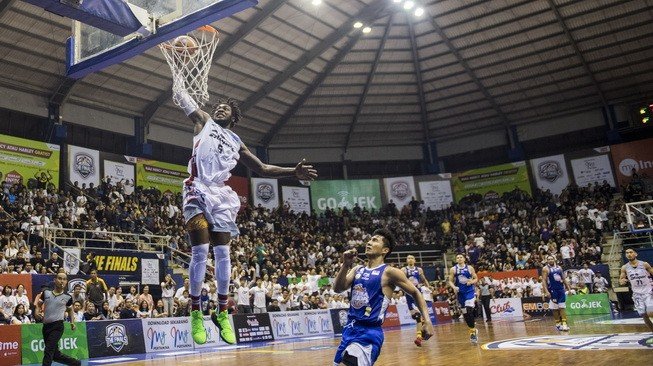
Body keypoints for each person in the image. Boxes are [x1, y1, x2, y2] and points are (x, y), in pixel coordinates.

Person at [172, 82, 317, 344]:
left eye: (225, 109)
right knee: (201, 251)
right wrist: (179, 79)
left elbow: (262, 168)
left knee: (223, 253)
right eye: (217, 107)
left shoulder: (237, 141)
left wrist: (292, 173)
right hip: (197, 187)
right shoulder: (204, 121)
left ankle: (222, 312)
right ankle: (195, 312)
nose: (219, 109)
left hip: (221, 195)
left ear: (234, 118)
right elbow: (184, 102)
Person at [333, 228, 433, 365]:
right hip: (349, 330)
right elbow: (338, 288)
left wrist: (427, 321)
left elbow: (416, 292)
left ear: (385, 250)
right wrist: (345, 264)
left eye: (374, 240)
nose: (369, 242)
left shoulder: (389, 272)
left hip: (369, 333)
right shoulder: (357, 269)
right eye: (369, 240)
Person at [34, 272, 80, 366]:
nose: (61, 281)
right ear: (55, 280)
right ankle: (75, 363)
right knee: (55, 354)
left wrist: (72, 322)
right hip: (46, 326)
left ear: (66, 282)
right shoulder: (46, 293)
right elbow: (39, 304)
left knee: (48, 350)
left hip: (57, 326)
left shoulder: (68, 297)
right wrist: (36, 312)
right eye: (59, 278)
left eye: (64, 279)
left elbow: (70, 310)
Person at [619, 248, 653, 342]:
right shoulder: (624, 267)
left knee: (651, 312)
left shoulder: (644, 264)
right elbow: (621, 279)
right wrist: (622, 281)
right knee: (644, 315)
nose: (629, 254)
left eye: (631, 252)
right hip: (637, 294)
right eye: (626, 253)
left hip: (648, 292)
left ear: (636, 254)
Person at [448, 254, 479, 343]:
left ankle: (472, 333)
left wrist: (472, 281)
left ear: (464, 259)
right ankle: (472, 329)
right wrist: (454, 287)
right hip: (460, 293)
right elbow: (450, 280)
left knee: (469, 309)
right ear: (456, 260)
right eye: (457, 257)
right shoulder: (453, 269)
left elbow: (476, 278)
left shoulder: (470, 268)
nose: (459, 258)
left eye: (461, 257)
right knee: (465, 314)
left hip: (469, 291)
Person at [401, 254, 429, 347]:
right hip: (409, 295)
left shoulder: (419, 270)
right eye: (408, 258)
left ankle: (419, 337)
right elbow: (401, 281)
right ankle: (422, 330)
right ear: (406, 260)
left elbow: (424, 279)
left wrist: (428, 287)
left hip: (418, 294)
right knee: (416, 316)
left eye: (412, 258)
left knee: (418, 317)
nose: (410, 259)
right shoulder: (404, 270)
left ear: (415, 260)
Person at [542, 255, 571, 331]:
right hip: (552, 290)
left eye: (552, 259)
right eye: (549, 259)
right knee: (554, 309)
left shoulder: (559, 268)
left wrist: (569, 289)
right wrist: (546, 291)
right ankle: (558, 324)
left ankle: (564, 324)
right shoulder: (545, 269)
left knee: (562, 307)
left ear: (554, 259)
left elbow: (564, 279)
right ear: (547, 260)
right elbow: (544, 281)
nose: (550, 260)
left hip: (561, 290)